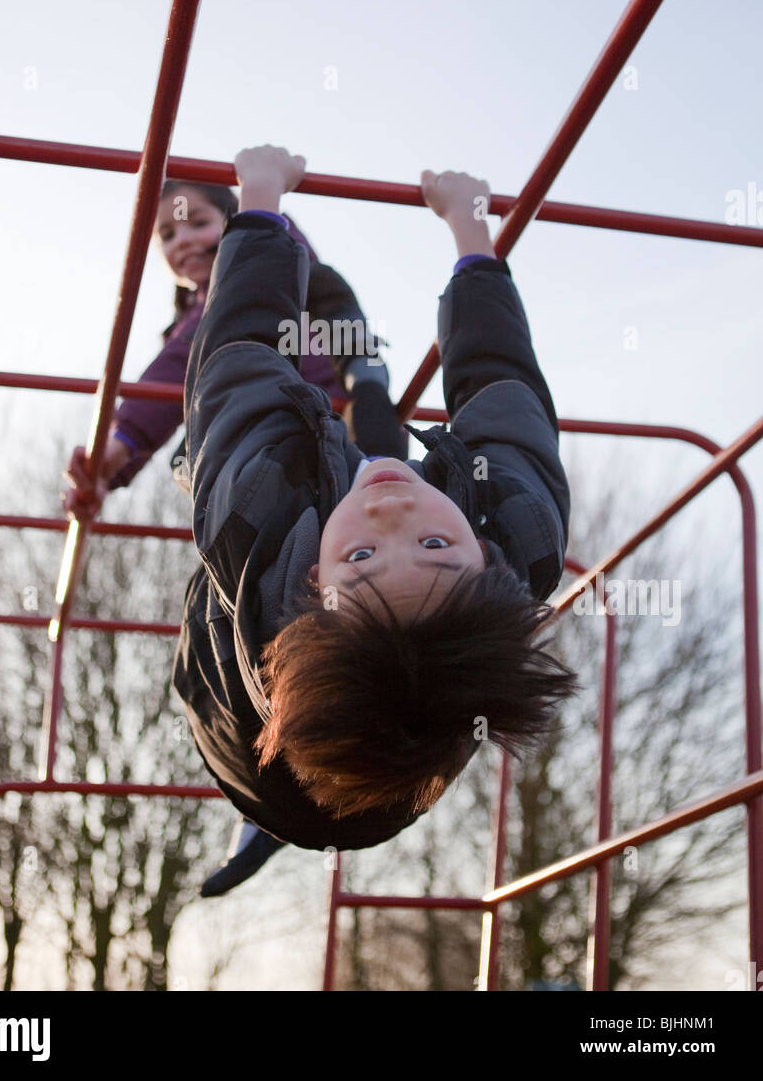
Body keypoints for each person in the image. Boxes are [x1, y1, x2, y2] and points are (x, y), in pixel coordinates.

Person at [175, 144, 577, 896]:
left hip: (237, 739)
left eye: (362, 558)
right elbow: (503, 381)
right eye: (433, 543)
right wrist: (470, 230)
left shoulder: (252, 519)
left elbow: (235, 352)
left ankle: (260, 814)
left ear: (315, 580)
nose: (392, 507)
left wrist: (259, 202)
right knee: (368, 454)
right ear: (490, 564)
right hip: (391, 782)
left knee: (212, 456)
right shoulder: (523, 534)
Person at [62, 178, 406, 521]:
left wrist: (122, 442)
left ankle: (378, 489)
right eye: (167, 235)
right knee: (184, 460)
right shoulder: (187, 321)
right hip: (258, 433)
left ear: (237, 221)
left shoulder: (272, 273)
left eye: (199, 223)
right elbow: (171, 385)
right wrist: (113, 462)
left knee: (371, 416)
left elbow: (342, 320)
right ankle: (244, 529)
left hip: (318, 414)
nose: (183, 241)